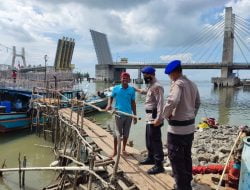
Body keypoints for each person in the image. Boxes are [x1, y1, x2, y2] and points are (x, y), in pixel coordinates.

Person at [163, 60, 200, 190]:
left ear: (173, 73)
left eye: (169, 75)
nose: (170, 77)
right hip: (189, 128)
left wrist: (166, 115)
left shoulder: (178, 84)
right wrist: (191, 116)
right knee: (186, 156)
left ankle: (181, 186)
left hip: (177, 130)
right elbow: (197, 103)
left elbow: (173, 100)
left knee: (176, 158)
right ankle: (187, 181)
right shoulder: (193, 84)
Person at [135, 66, 165, 175]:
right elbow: (146, 92)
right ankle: (150, 157)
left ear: (151, 75)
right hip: (149, 117)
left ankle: (159, 165)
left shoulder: (157, 86)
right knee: (149, 139)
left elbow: (161, 103)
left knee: (156, 141)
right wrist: (136, 89)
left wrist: (158, 118)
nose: (144, 77)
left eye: (145, 75)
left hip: (154, 117)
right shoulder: (151, 85)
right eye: (143, 75)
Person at [106, 72, 137, 157]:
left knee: (126, 134)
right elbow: (111, 97)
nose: (125, 80)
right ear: (121, 79)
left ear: (129, 80)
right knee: (117, 134)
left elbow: (133, 103)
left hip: (129, 115)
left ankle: (123, 149)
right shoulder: (116, 88)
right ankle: (115, 151)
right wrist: (109, 105)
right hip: (118, 114)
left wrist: (135, 116)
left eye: (127, 78)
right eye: (123, 78)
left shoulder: (131, 90)